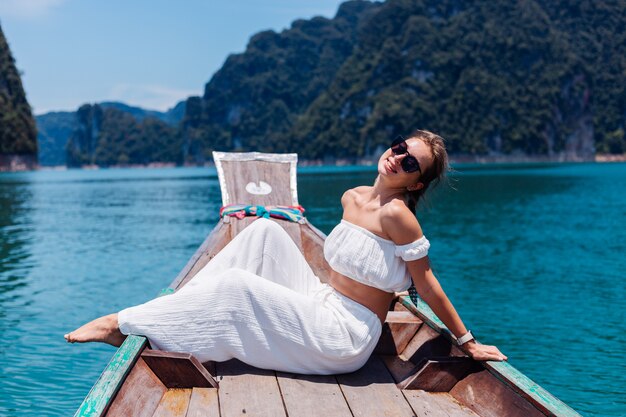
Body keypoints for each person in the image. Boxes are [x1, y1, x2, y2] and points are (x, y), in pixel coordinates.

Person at [65, 130, 507, 374]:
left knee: (238, 287)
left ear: (416, 184)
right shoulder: (352, 197)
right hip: (323, 301)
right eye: (399, 149)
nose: (398, 160)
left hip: (346, 336)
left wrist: (467, 343)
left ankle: (120, 323)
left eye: (411, 164)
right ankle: (176, 311)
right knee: (263, 232)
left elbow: (426, 283)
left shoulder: (399, 216)